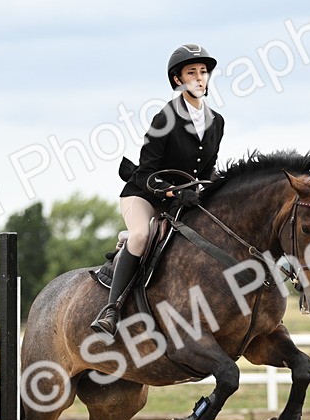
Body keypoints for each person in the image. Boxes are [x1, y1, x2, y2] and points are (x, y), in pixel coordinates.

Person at [90, 43, 225, 335]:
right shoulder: (165, 118)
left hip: (182, 201)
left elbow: (207, 169)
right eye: (191, 72)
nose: (199, 78)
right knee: (141, 235)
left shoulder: (216, 121)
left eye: (203, 72)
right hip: (144, 195)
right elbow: (146, 173)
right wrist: (174, 192)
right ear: (178, 80)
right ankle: (111, 309)